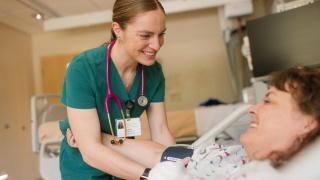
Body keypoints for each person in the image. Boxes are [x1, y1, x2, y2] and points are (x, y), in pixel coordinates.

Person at [67, 66, 320, 179]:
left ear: (307, 124)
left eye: (269, 101)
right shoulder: (237, 156)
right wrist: (95, 138)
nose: (253, 109)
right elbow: (163, 154)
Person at [59, 0, 175, 179]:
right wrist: (149, 176)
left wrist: (176, 168)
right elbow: (90, 150)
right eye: (145, 35)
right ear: (118, 30)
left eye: (161, 34)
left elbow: (161, 132)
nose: (157, 45)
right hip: (84, 166)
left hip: (127, 156)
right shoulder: (83, 68)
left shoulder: (154, 72)